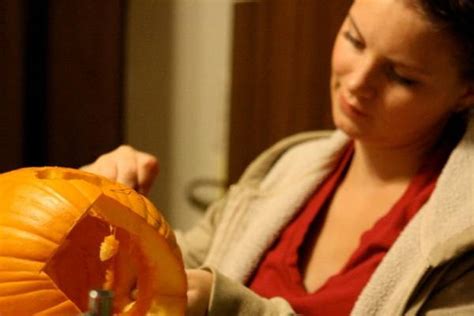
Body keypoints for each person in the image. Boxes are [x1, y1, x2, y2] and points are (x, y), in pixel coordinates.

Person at [83, 0, 474, 314]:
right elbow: (172, 268)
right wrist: (95, 214)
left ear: (466, 92)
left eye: (401, 76)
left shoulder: (461, 236)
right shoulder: (286, 167)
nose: (357, 83)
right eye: (355, 40)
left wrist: (229, 308)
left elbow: (205, 295)